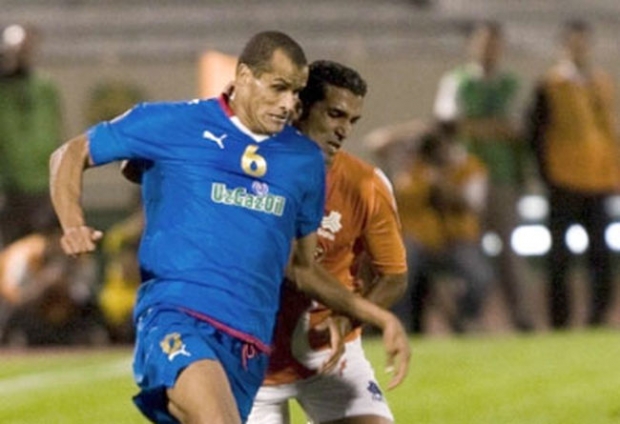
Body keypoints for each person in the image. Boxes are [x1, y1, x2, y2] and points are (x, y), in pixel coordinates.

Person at [49, 31, 410, 424]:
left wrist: (379, 317)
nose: (288, 103)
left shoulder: (303, 162)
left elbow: (303, 268)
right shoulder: (174, 123)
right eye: (279, 88)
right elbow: (72, 152)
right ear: (244, 76)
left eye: (295, 92)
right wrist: (73, 222)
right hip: (177, 316)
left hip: (250, 343)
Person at [246, 61, 407, 424]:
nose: (343, 130)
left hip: (329, 356)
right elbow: (294, 267)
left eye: (352, 121)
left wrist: (348, 320)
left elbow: (394, 276)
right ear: (299, 108)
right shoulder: (248, 173)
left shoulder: (366, 184)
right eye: (335, 114)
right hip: (252, 362)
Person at [433, 21, 534, 331]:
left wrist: (474, 126)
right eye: (483, 42)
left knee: (508, 253)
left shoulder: (511, 83)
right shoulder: (457, 81)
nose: (488, 49)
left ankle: (521, 319)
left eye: (493, 43)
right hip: (466, 179)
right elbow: (449, 125)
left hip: (504, 176)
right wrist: (496, 127)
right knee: (468, 252)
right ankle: (468, 318)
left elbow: (519, 128)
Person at [526, 20, 619, 329]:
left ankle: (597, 317)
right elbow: (536, 134)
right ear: (563, 47)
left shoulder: (600, 83)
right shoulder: (550, 86)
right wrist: (545, 174)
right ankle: (560, 320)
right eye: (574, 44)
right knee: (559, 257)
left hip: (598, 180)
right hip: (563, 180)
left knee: (600, 255)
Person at [391, 123, 494, 334]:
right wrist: (414, 134)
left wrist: (442, 183)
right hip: (420, 240)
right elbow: (402, 195)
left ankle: (467, 318)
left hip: (458, 239)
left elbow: (472, 204)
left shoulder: (468, 167)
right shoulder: (415, 168)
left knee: (480, 276)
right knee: (398, 271)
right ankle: (399, 324)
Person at [0, 23, 64, 246]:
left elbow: (53, 127)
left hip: (43, 182)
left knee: (44, 246)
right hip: (9, 186)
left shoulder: (44, 86)